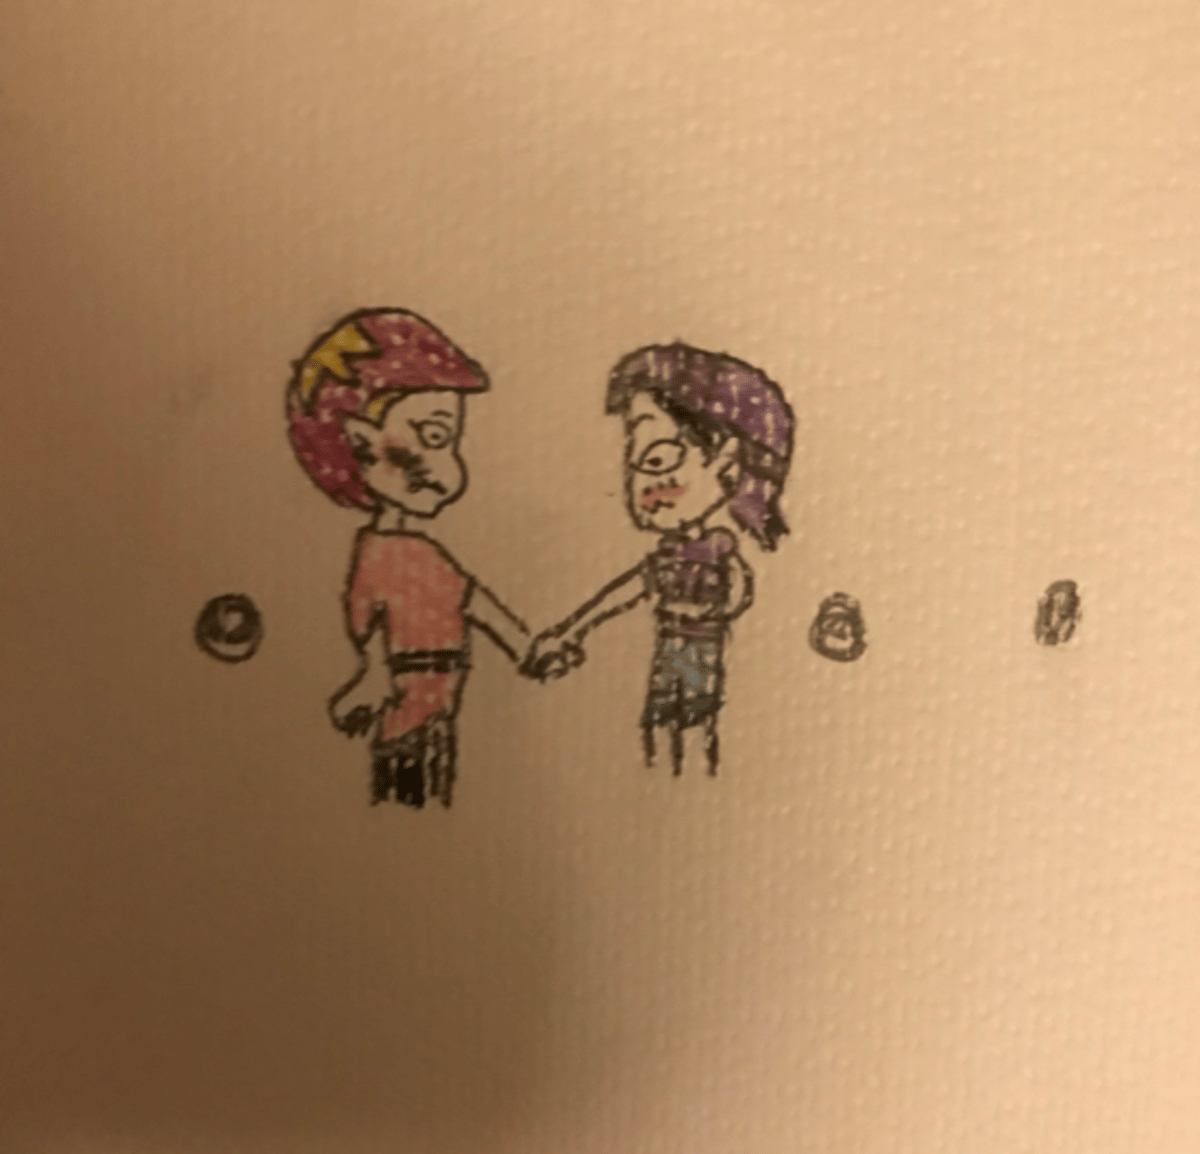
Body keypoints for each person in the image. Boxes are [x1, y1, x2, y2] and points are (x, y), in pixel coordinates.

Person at [287, 308, 527, 808]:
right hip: (407, 722)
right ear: (360, 443)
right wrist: (372, 678)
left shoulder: (424, 554)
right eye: (433, 437)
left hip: (436, 713)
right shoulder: (378, 556)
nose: (451, 473)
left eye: (450, 441)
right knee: (408, 797)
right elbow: (370, 626)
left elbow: (473, 602)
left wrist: (525, 647)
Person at [525, 343, 793, 775]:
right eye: (634, 463)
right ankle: (671, 771)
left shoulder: (719, 549)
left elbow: (741, 592)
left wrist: (717, 607)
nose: (641, 483)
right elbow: (625, 592)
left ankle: (690, 774)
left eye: (657, 458)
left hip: (700, 649)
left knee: (695, 720)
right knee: (663, 720)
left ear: (726, 464)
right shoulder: (669, 557)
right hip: (674, 650)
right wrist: (570, 631)